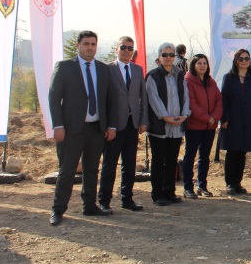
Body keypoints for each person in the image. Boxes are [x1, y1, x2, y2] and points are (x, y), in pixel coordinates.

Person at [47, 31, 118, 226]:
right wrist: (58, 125)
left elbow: (111, 99)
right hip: (71, 130)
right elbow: (53, 97)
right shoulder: (64, 67)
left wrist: (111, 125)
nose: (90, 47)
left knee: (92, 169)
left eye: (93, 44)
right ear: (78, 45)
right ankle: (58, 209)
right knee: (67, 170)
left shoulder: (103, 69)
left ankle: (90, 206)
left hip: (96, 129)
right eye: (86, 44)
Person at [97, 36, 148, 213]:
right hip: (114, 126)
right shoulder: (107, 69)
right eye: (123, 47)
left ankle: (127, 199)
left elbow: (143, 96)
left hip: (132, 124)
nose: (127, 51)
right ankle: (104, 200)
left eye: (130, 48)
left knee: (129, 164)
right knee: (109, 164)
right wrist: (107, 125)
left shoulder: (137, 70)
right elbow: (103, 99)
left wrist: (143, 121)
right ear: (116, 48)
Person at [146, 43, 191, 206]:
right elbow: (153, 99)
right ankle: (157, 194)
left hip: (177, 125)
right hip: (159, 126)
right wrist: (165, 117)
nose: (168, 57)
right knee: (158, 161)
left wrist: (185, 115)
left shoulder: (179, 75)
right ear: (159, 57)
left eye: (171, 55)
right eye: (164, 54)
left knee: (172, 160)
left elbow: (185, 97)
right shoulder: (152, 76)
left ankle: (169, 192)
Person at [220, 49, 251, 195]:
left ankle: (237, 183)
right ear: (236, 61)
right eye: (241, 58)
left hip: (250, 120)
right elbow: (224, 99)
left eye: (246, 58)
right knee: (232, 152)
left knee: (242, 152)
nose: (244, 61)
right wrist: (224, 118)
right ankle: (230, 183)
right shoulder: (229, 78)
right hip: (233, 120)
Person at [183, 54, 222, 198]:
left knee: (204, 157)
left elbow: (219, 100)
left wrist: (214, 118)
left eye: (204, 63)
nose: (202, 66)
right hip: (194, 126)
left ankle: (202, 185)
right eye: (199, 63)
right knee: (190, 157)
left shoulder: (211, 81)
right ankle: (188, 187)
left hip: (209, 127)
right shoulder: (188, 81)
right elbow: (191, 104)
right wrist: (207, 118)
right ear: (193, 65)